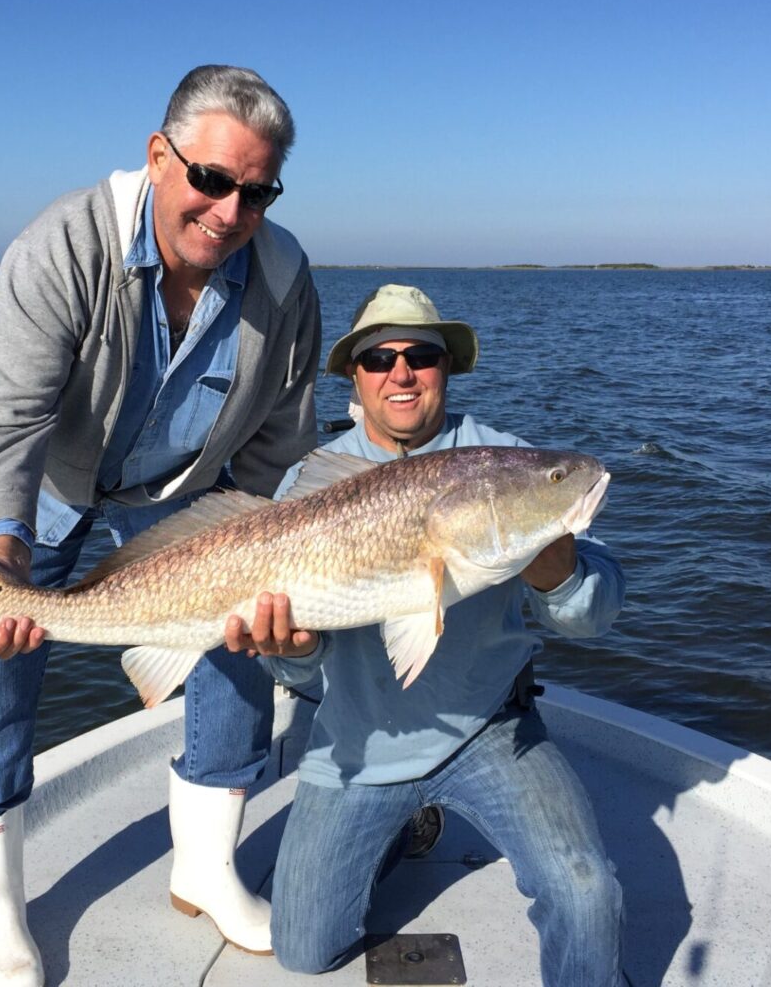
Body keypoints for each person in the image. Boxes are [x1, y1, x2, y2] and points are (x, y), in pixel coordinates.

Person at [0, 65, 321, 985]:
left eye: (257, 191)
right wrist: (0, 552)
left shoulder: (285, 278)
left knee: (237, 647)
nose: (231, 212)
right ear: (159, 157)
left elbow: (282, 431)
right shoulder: (63, 247)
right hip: (54, 481)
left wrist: (264, 548)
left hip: (185, 488)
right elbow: (4, 422)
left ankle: (206, 868)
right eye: (213, 180)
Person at [224, 284, 626, 986]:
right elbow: (306, 680)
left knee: (587, 891)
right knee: (302, 949)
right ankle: (396, 828)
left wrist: (555, 566)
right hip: (358, 737)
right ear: (356, 373)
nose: (401, 372)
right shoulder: (310, 486)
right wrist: (291, 654)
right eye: (380, 357)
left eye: (423, 355)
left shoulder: (505, 461)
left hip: (492, 728)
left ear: (448, 367)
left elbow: (592, 618)